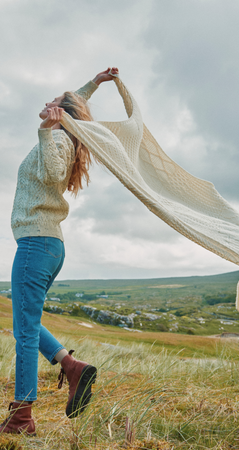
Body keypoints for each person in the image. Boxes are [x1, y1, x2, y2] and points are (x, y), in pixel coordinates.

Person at [0, 67, 119, 435]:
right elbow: (73, 105)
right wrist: (94, 84)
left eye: (53, 102)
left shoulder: (58, 141)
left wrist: (45, 131)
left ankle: (22, 416)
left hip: (38, 244)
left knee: (24, 332)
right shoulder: (63, 134)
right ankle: (71, 366)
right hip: (44, 245)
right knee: (27, 323)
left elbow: (52, 174)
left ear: (61, 115)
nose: (47, 103)